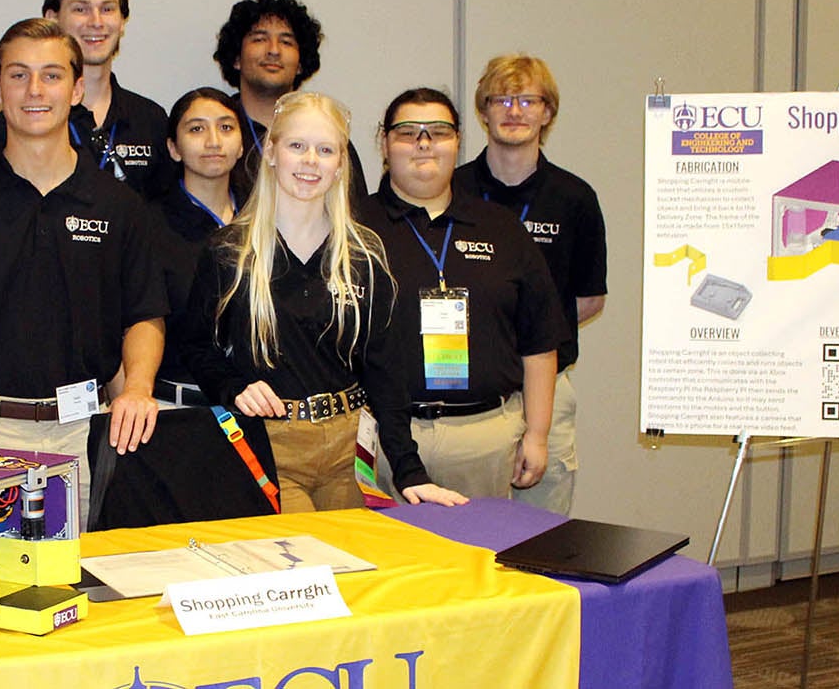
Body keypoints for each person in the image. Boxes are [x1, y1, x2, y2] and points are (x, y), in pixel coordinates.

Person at [0, 19, 166, 515]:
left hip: (87, 433)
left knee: (85, 583)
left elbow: (144, 313)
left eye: (51, 76)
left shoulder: (118, 205)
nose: (34, 90)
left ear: (76, 89)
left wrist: (136, 391)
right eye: (18, 75)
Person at [178, 91, 465, 512]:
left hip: (349, 452)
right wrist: (233, 386)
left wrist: (409, 470)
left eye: (325, 150)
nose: (311, 160)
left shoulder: (365, 256)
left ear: (340, 164)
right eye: (297, 146)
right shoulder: (230, 252)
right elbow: (196, 345)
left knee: (357, 568)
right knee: (307, 570)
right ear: (272, 152)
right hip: (270, 445)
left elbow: (385, 369)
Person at [356, 88, 568, 500]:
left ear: (457, 142)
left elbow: (540, 342)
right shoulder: (353, 227)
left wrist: (538, 434)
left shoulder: (500, 228)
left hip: (484, 439)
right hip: (380, 436)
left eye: (438, 132)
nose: (423, 144)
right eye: (407, 132)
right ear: (384, 143)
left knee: (482, 560)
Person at [453, 54, 607, 514]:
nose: (514, 111)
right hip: (469, 391)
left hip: (550, 390)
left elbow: (589, 297)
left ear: (547, 112)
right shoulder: (453, 190)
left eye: (527, 100)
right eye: (501, 99)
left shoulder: (574, 198)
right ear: (483, 111)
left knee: (540, 531)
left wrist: (527, 335)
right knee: (465, 531)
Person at [0, 0, 170, 193]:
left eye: (107, 9)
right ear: (52, 19)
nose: (96, 22)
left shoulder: (150, 119)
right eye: (81, 9)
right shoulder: (19, 122)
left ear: (122, 21)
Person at [149, 88, 251, 409]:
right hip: (174, 404)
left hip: (255, 403)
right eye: (196, 129)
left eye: (225, 127)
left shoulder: (265, 218)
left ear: (241, 144)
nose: (213, 141)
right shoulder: (148, 224)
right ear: (173, 148)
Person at [212, 0, 366, 191]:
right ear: (236, 58)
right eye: (259, 39)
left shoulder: (327, 133)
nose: (274, 51)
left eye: (286, 42)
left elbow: (354, 212)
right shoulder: (215, 132)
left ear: (301, 63)